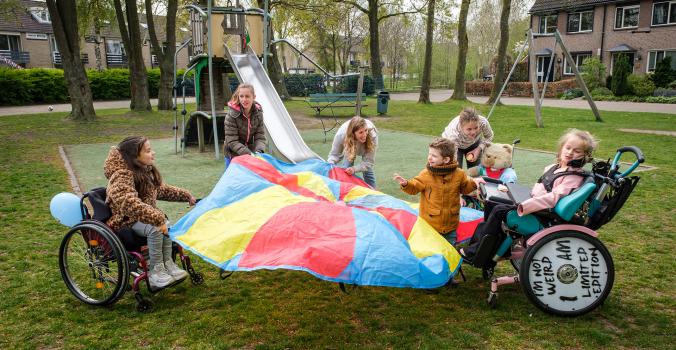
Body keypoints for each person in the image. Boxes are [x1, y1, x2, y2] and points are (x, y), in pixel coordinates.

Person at [462, 129, 598, 262]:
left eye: (577, 151)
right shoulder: (556, 168)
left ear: (584, 156)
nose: (570, 152)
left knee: (498, 210)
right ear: (562, 147)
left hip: (542, 216)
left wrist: (524, 205)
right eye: (568, 147)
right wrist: (511, 192)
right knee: (492, 201)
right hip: (534, 204)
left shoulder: (573, 177)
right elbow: (539, 190)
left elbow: (552, 199)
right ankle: (487, 245)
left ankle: (476, 252)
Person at [104, 136, 196, 289]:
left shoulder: (142, 171)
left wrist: (186, 196)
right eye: (148, 151)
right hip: (126, 221)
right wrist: (157, 218)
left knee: (164, 224)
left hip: (142, 218)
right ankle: (156, 272)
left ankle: (168, 264)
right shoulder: (121, 175)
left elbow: (160, 190)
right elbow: (128, 203)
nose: (153, 153)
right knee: (156, 226)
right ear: (134, 156)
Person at [393, 137, 485, 246]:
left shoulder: (459, 174)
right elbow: (414, 187)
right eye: (429, 154)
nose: (429, 158)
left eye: (434, 156)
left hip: (451, 224)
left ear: (446, 160)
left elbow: (465, 188)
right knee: (430, 248)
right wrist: (406, 184)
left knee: (449, 248)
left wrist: (474, 183)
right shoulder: (426, 174)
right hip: (430, 224)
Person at [327, 116, 378, 188]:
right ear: (353, 133)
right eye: (360, 132)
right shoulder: (341, 135)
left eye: (365, 130)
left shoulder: (372, 135)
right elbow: (334, 155)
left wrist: (354, 169)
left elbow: (368, 162)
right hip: (350, 144)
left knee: (367, 171)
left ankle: (374, 192)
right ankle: (346, 191)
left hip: (365, 145)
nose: (364, 135)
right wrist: (330, 165)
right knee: (346, 169)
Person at [223, 83, 266, 166]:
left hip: (250, 153)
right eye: (241, 96)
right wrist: (248, 154)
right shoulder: (231, 115)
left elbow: (260, 136)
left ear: (254, 97)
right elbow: (232, 141)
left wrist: (259, 151)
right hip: (233, 153)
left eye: (247, 96)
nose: (244, 99)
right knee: (233, 178)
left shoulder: (258, 113)